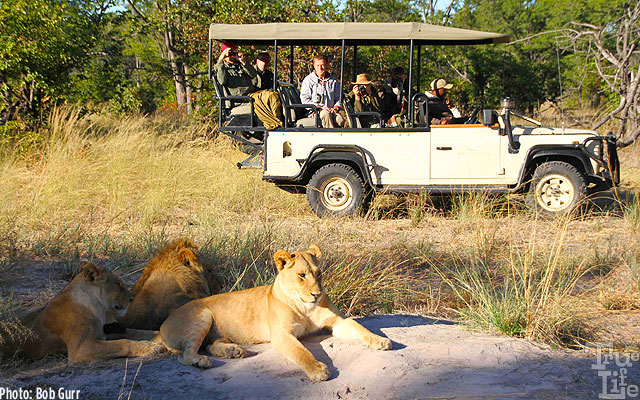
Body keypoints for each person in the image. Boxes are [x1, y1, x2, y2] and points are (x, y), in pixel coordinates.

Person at [214, 42, 283, 130]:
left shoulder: (240, 65)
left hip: (251, 95)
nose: (232, 54)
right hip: (239, 99)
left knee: (273, 95)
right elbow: (222, 80)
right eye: (230, 52)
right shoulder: (222, 67)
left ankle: (277, 122)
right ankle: (275, 125)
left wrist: (243, 61)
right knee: (269, 97)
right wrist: (221, 59)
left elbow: (254, 74)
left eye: (234, 51)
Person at [300, 54, 345, 128]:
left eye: (322, 65)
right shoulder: (308, 80)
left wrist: (336, 107)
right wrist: (319, 107)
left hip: (331, 111)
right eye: (317, 65)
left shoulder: (333, 81)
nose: (320, 68)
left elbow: (338, 98)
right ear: (314, 65)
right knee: (325, 114)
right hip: (315, 112)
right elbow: (304, 100)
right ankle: (330, 136)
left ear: (327, 65)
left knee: (340, 119)